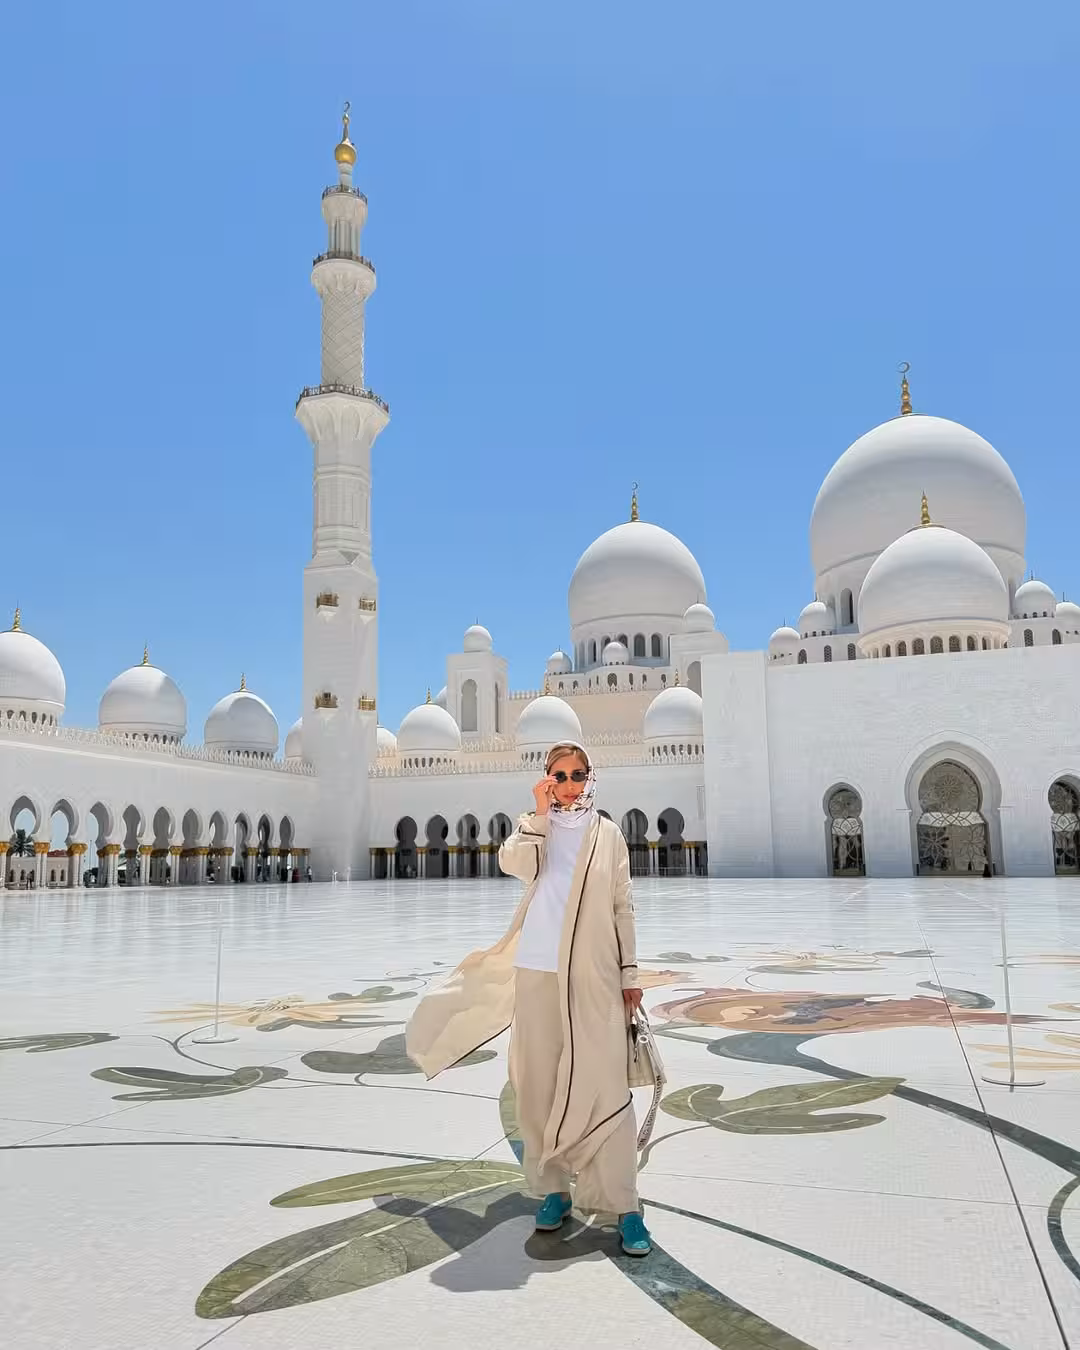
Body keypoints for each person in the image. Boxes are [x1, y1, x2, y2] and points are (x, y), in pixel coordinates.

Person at [406, 741, 651, 1256]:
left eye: (577, 774)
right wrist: (539, 816)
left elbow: (622, 905)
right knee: (536, 1082)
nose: (568, 784)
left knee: (606, 1085)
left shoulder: (607, 835)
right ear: (546, 780)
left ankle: (624, 1205)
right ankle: (553, 1190)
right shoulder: (532, 826)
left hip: (594, 975)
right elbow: (513, 864)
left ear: (590, 777)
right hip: (536, 969)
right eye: (558, 776)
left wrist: (629, 972)